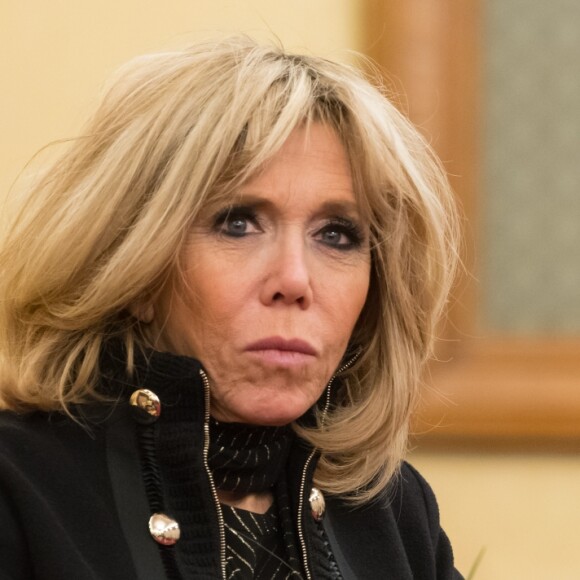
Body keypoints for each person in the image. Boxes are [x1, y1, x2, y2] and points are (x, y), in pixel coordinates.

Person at [0, 37, 462, 579]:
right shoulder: (18, 489)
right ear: (135, 266)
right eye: (237, 223)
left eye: (337, 235)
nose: (294, 280)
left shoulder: (394, 511)